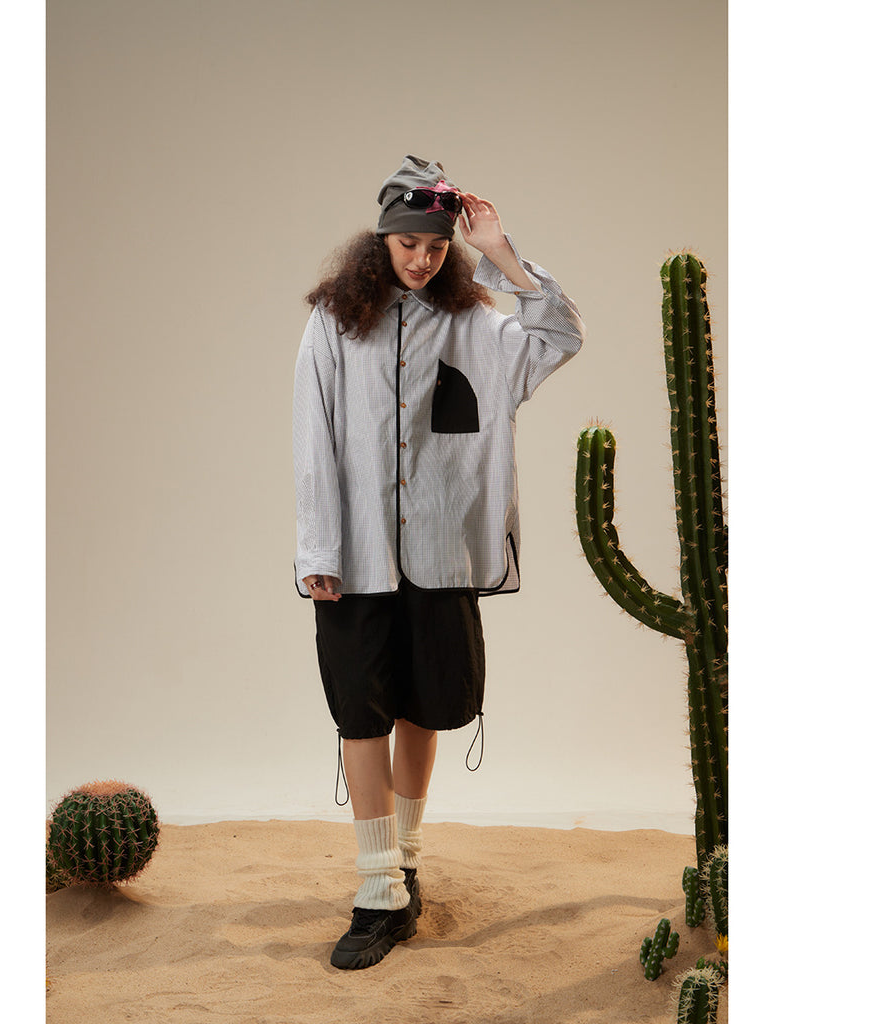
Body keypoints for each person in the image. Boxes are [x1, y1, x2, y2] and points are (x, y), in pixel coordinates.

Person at [292, 155, 585, 970]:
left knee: (423, 707)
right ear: (380, 241)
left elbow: (560, 336)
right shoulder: (333, 323)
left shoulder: (479, 326)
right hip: (353, 555)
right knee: (360, 715)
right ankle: (376, 889)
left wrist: (501, 254)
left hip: (441, 554)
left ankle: (403, 865)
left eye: (435, 245)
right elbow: (312, 434)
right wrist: (318, 547)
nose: (421, 258)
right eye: (408, 243)